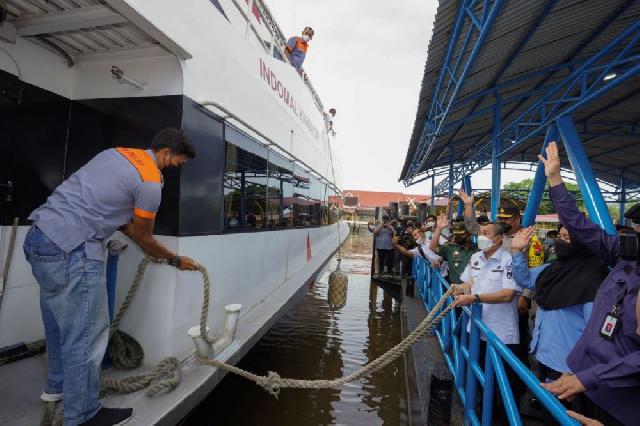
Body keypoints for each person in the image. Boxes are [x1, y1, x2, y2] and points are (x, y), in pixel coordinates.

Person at [23, 128, 199, 425]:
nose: (179, 166)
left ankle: (56, 387)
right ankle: (82, 415)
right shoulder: (150, 182)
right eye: (180, 161)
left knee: (57, 322)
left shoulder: (115, 154)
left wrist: (150, 249)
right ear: (167, 153)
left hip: (40, 238)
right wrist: (175, 259)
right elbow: (143, 235)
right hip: (73, 251)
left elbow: (114, 217)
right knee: (86, 336)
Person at [537, 141, 639, 426]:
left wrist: (588, 377)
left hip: (624, 407)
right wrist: (556, 180)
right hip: (587, 384)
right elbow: (579, 226)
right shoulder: (625, 257)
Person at [510, 226, 608, 387]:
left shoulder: (595, 277)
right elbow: (525, 280)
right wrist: (516, 251)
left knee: (562, 411)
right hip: (544, 354)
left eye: (567, 237)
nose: (561, 242)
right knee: (547, 405)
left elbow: (593, 328)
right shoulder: (553, 268)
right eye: (560, 236)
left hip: (570, 366)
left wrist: (578, 369)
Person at [452, 221, 524, 409]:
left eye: (486, 233)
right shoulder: (476, 257)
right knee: (479, 375)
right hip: (476, 328)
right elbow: (469, 282)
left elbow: (508, 295)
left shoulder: (508, 260)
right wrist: (460, 288)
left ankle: (504, 417)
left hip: (500, 332)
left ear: (498, 239)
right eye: (480, 232)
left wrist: (474, 298)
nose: (480, 236)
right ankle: (483, 411)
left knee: (504, 383)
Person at [430, 213, 478, 284]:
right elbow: (433, 247)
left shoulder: (479, 250)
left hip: (474, 290)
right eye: (455, 234)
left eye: (460, 234)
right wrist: (439, 228)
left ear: (469, 234)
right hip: (455, 290)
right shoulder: (450, 248)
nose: (456, 236)